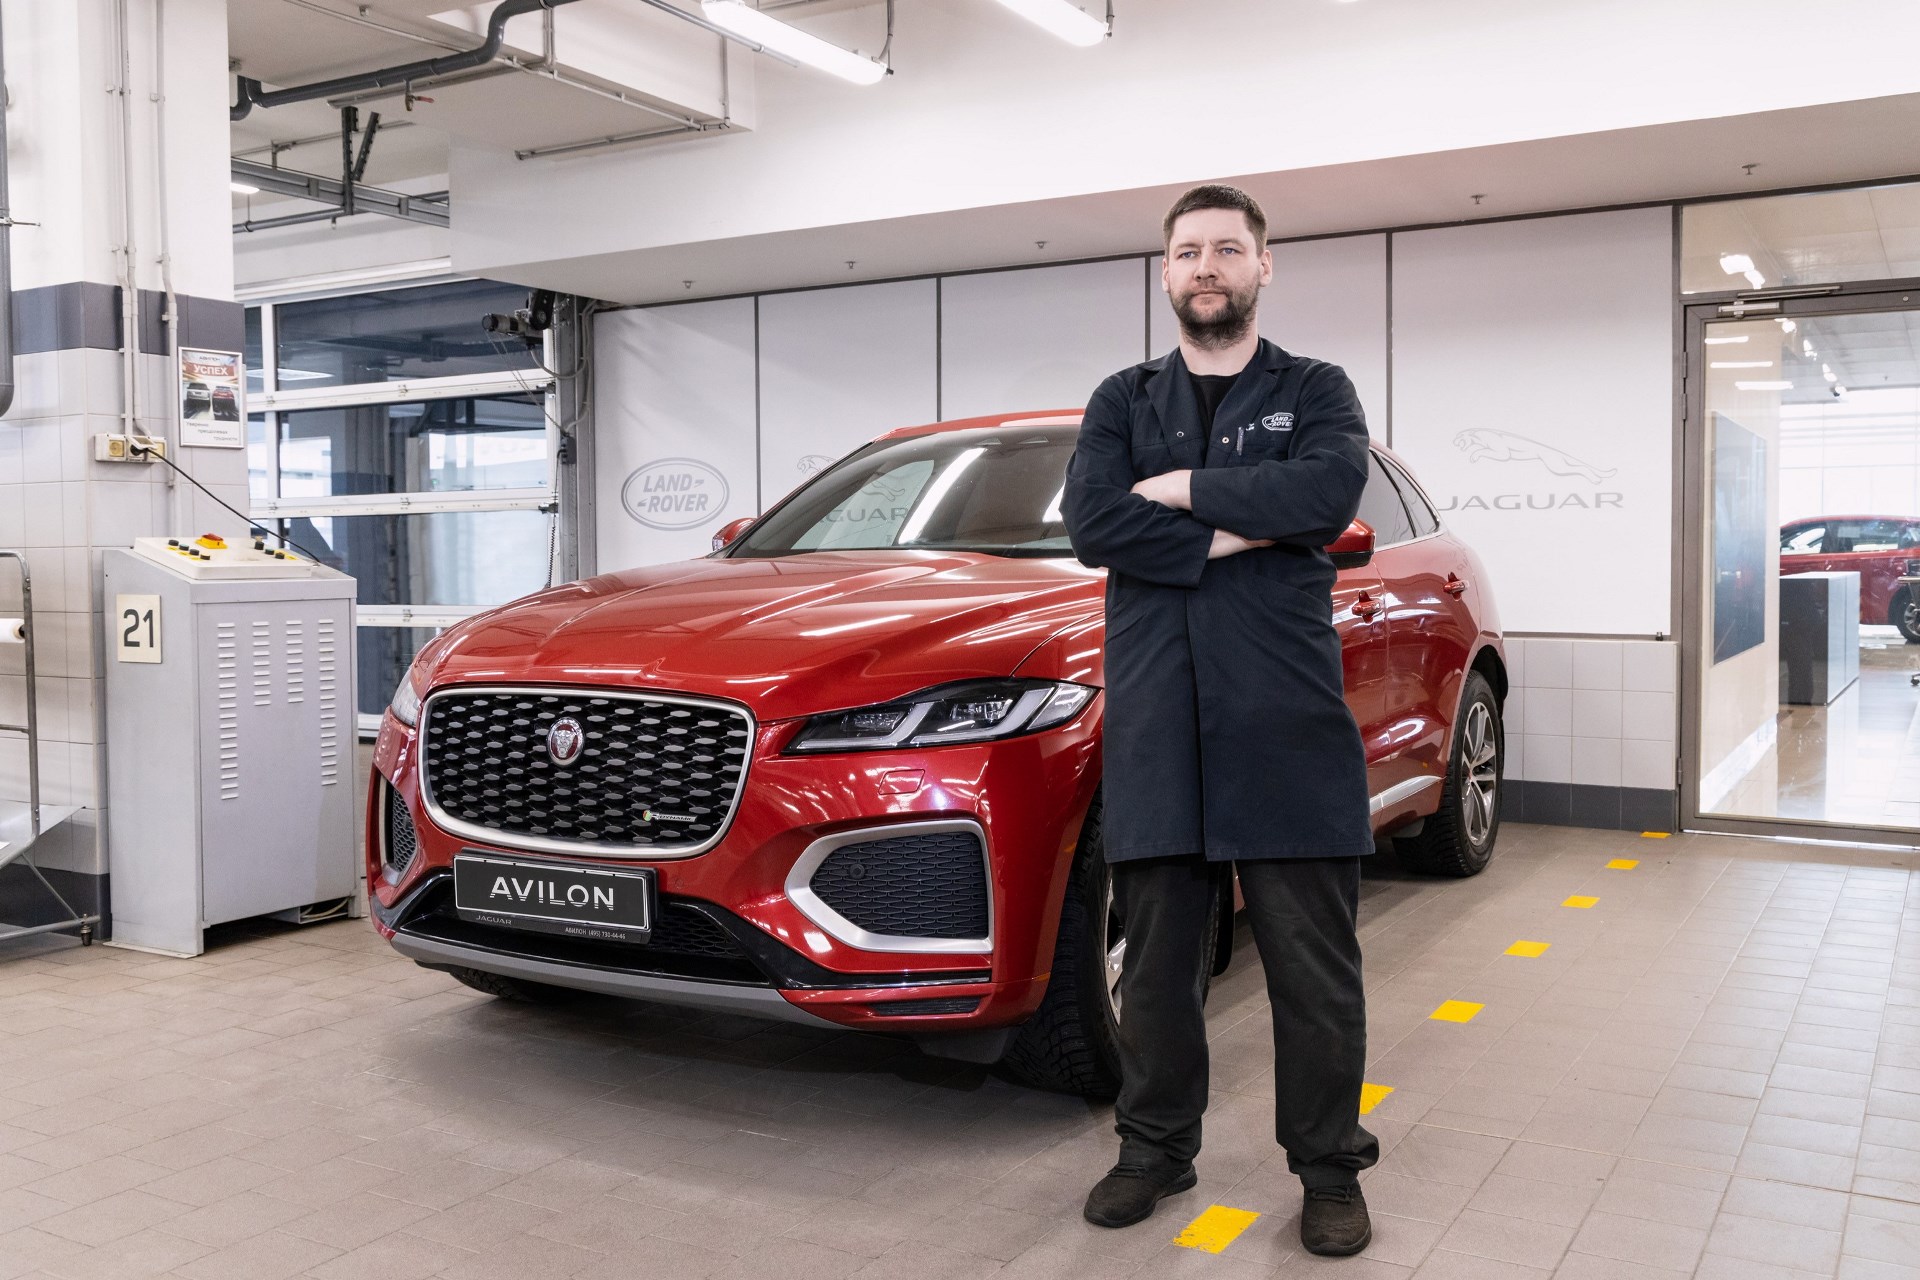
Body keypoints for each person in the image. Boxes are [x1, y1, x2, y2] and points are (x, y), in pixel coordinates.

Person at [1060, 184, 1379, 1258]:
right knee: (1155, 965)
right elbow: (1094, 523)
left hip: (1284, 721)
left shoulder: (1316, 388)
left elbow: (1326, 494)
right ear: (1166, 272)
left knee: (1313, 969)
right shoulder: (1121, 398)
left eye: (1227, 249)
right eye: (1188, 251)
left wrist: (1180, 490)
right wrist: (1243, 525)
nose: (1207, 266)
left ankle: (1329, 1168)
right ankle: (1154, 1148)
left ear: (1262, 266)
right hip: (1159, 722)